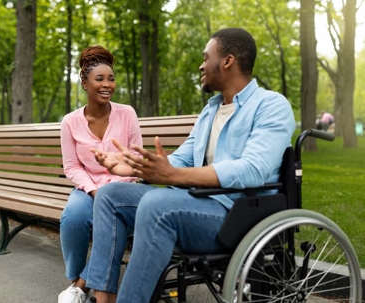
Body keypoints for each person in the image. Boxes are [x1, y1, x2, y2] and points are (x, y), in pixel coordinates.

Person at [86, 28, 296, 303]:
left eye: (206, 57)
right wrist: (135, 167)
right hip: (194, 202)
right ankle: (103, 298)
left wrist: (173, 175)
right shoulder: (210, 110)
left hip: (237, 215)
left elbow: (252, 170)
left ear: (227, 61)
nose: (201, 64)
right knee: (110, 195)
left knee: (157, 206)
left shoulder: (271, 105)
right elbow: (181, 159)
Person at [58, 45, 143, 303]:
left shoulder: (127, 113)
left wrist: (109, 190)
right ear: (85, 83)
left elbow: (136, 157)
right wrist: (94, 190)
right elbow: (71, 166)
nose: (107, 84)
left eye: (111, 78)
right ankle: (76, 279)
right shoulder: (70, 122)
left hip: (121, 186)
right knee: (73, 217)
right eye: (100, 79)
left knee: (111, 220)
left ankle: (82, 287)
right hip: (88, 187)